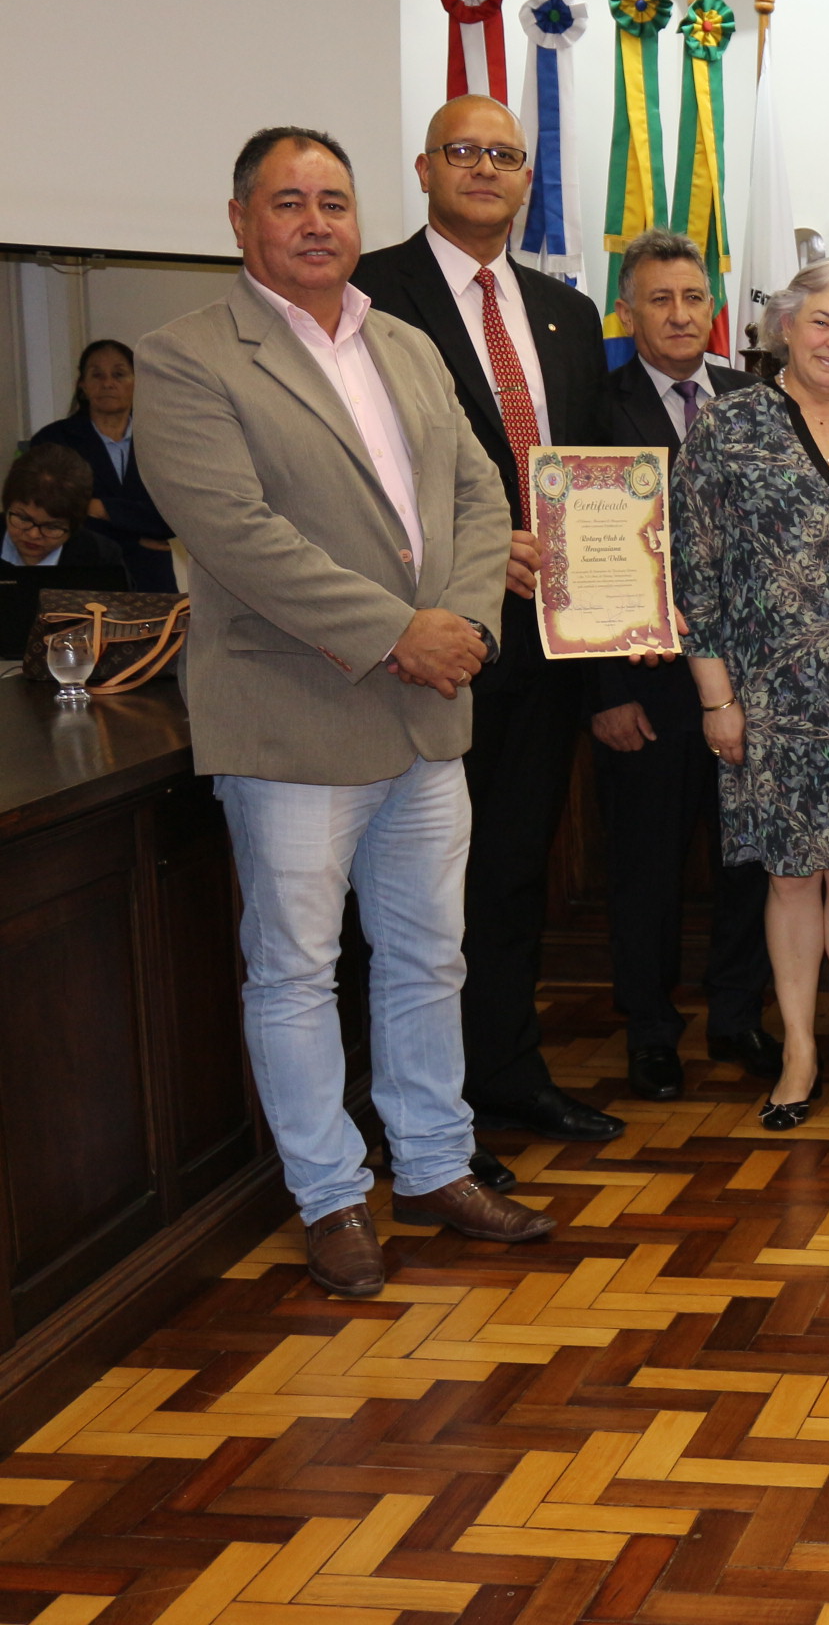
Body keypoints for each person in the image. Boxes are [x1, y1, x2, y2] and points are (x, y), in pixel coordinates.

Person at [134, 125, 553, 1297]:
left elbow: (480, 491)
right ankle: (329, 1196)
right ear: (239, 221)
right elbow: (238, 537)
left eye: (332, 199)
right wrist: (397, 633)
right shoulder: (187, 358)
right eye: (288, 202)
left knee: (428, 956)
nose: (315, 221)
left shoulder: (406, 343)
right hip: (292, 715)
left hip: (426, 715)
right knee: (297, 971)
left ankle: (432, 1163)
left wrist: (462, 621)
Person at [353, 93, 620, 1165]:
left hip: (544, 645)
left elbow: (591, 473)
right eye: (463, 151)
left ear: (526, 180)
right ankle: (412, 1110)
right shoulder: (371, 293)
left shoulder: (564, 310)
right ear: (423, 168)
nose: (485, 169)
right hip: (425, 641)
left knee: (513, 870)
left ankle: (506, 1074)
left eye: (505, 156)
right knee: (417, 890)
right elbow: (360, 472)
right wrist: (475, 552)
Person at [674, 257, 829, 1131]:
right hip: (765, 696)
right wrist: (715, 697)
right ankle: (797, 1051)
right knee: (788, 881)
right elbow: (694, 566)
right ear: (786, 323)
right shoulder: (727, 424)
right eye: (822, 322)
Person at [595, 227, 778, 1100]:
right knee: (648, 869)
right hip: (648, 686)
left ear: (715, 308)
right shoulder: (595, 405)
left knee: (747, 861)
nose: (677, 314)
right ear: (627, 311)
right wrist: (604, 692)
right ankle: (653, 1031)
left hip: (754, 680)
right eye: (658, 299)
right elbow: (576, 567)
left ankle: (737, 1016)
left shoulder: (757, 399)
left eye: (692, 297)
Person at [33, 339, 179, 591]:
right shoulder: (53, 442)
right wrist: (137, 538)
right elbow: (49, 516)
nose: (108, 383)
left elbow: (174, 516)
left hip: (152, 581)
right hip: (80, 578)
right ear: (83, 385)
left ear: (138, 383)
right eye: (97, 375)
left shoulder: (164, 440)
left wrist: (99, 507)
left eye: (119, 374)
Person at [3, 444, 130, 576]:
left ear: (74, 525)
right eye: (24, 519)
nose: (33, 535)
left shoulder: (101, 558)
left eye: (51, 527)